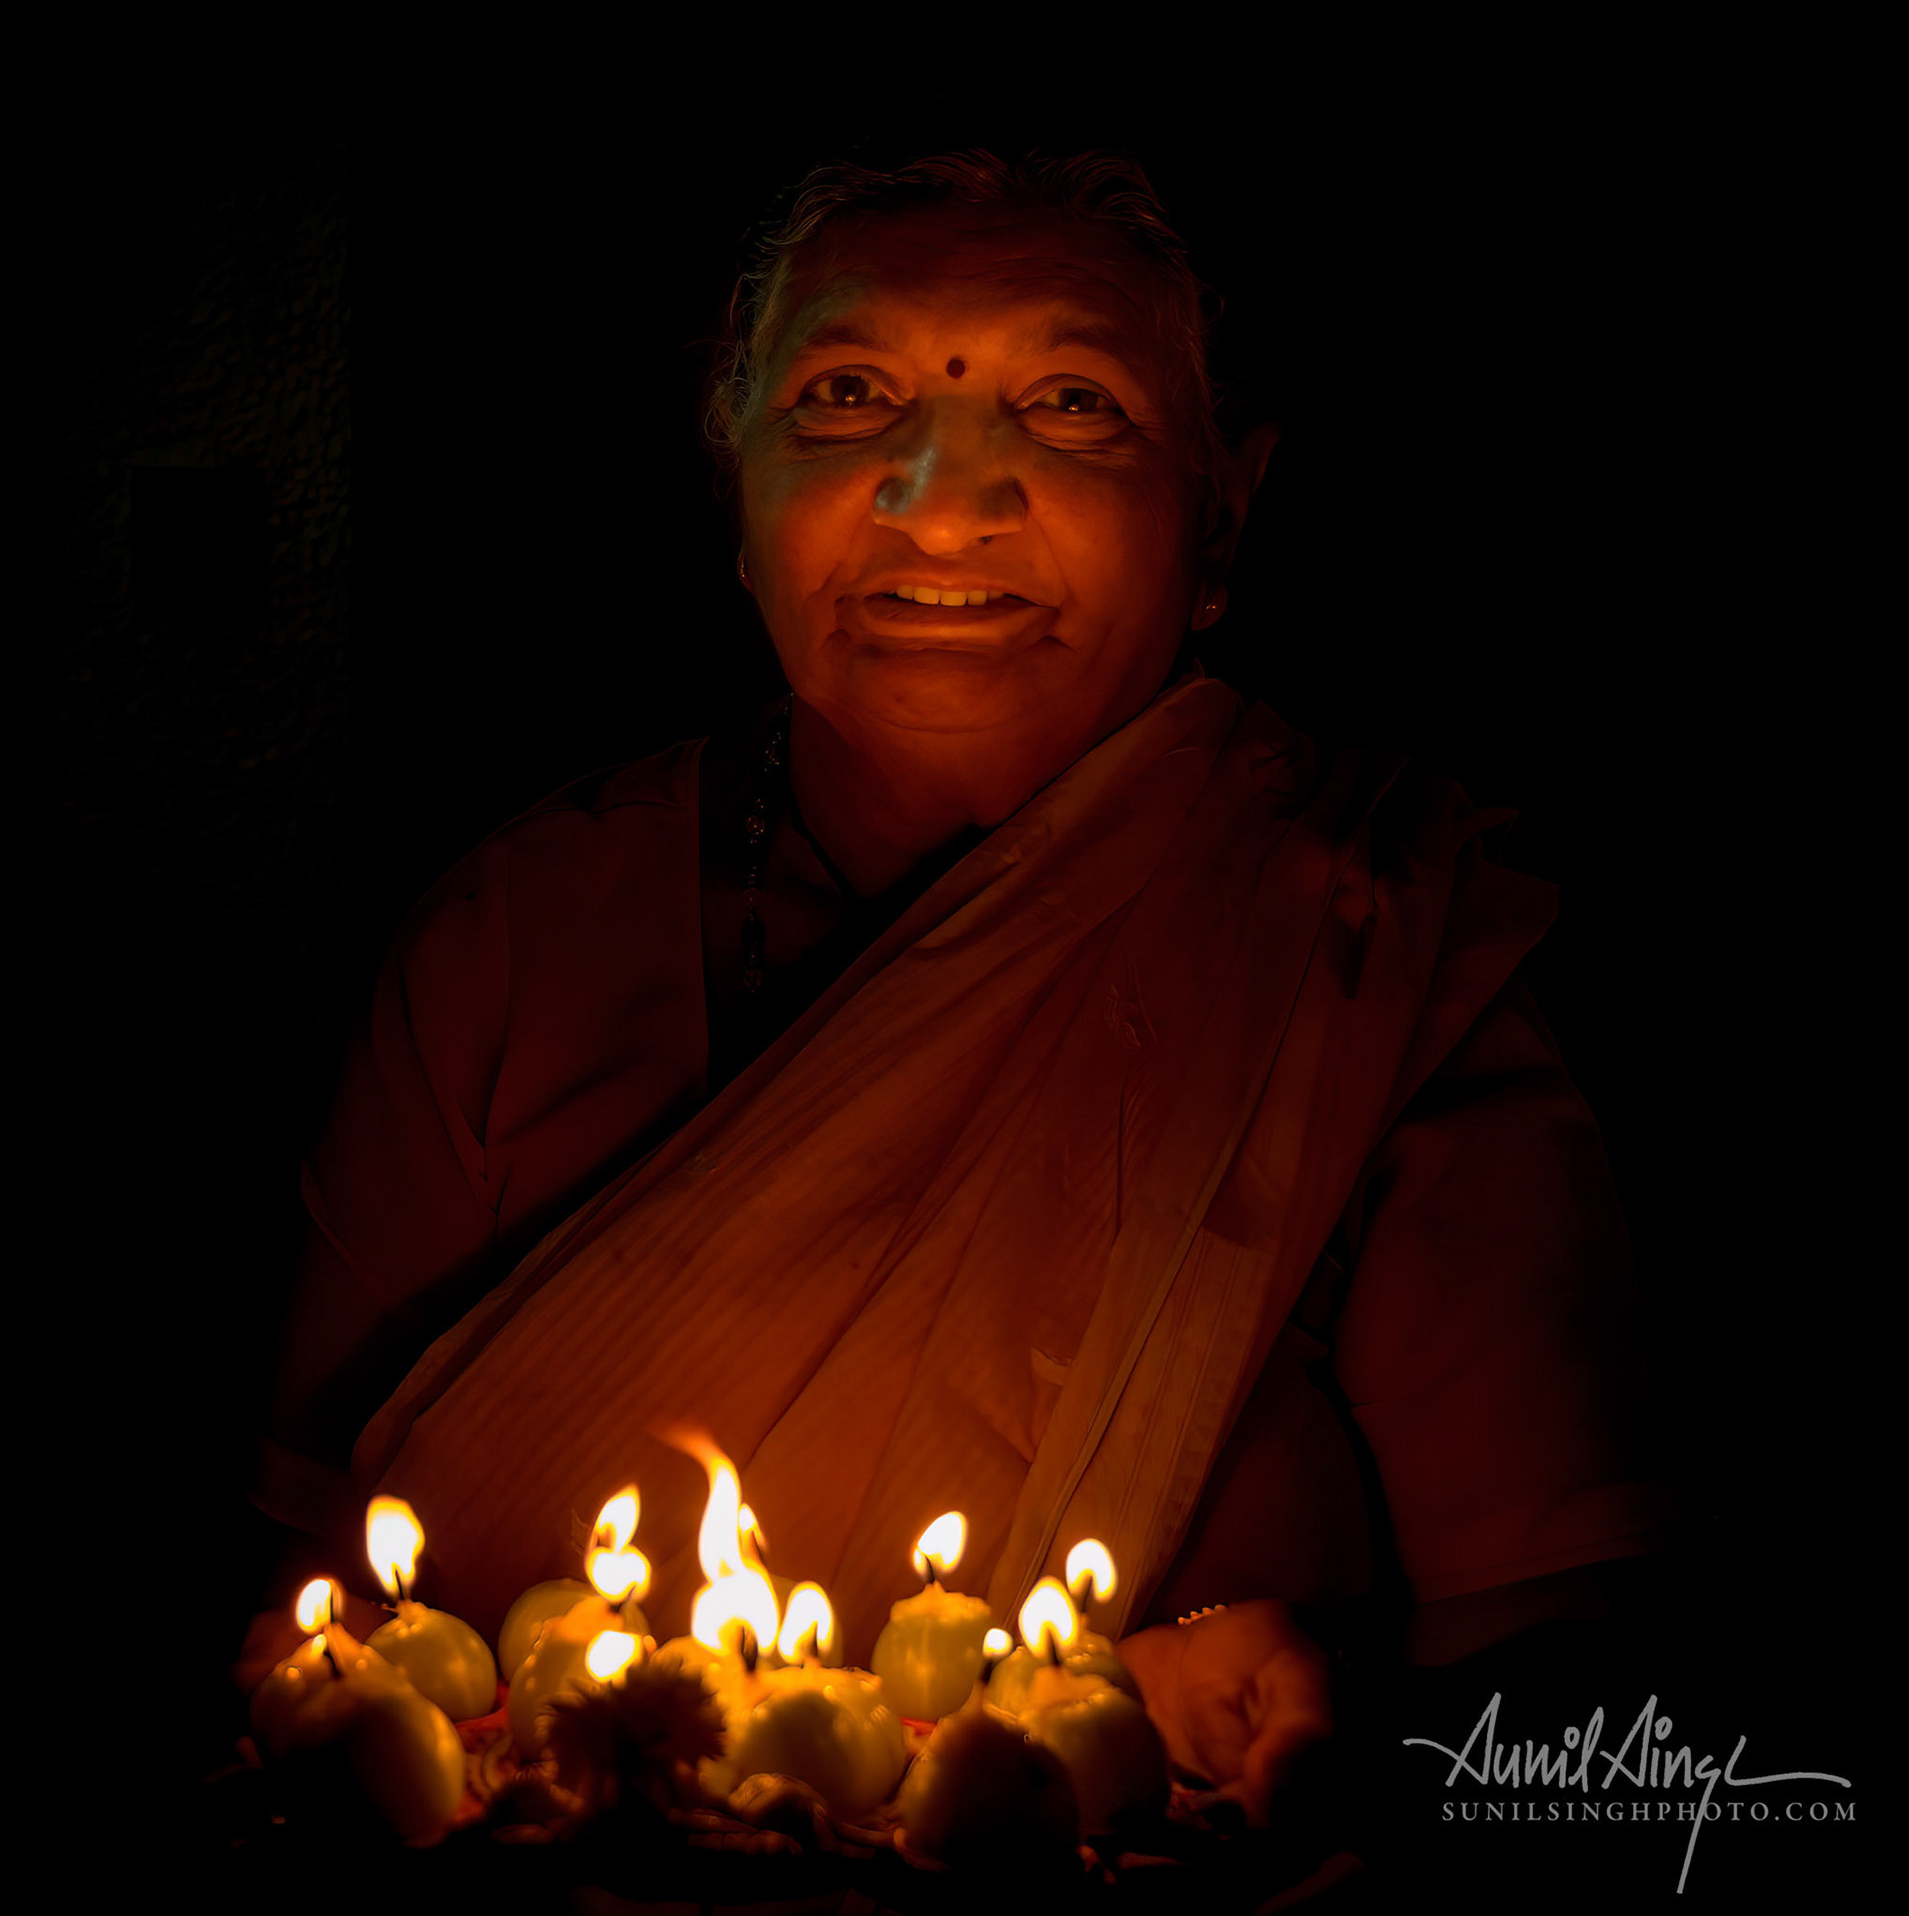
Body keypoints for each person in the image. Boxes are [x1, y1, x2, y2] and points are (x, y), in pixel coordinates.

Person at [246, 148, 1670, 1843]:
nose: (941, 497)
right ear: (737, 484)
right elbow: (298, 1612)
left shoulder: (1363, 949)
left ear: (1223, 514)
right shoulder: (512, 941)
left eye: (1072, 405)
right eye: (851, 396)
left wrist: (1313, 1728)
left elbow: (1593, 1746)